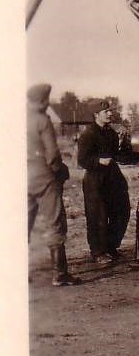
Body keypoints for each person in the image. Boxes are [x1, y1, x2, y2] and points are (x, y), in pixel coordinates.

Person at [27, 83, 80, 286]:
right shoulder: (42, 120)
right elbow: (52, 153)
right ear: (43, 100)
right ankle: (60, 274)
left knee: (24, 222)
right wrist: (59, 171)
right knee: (54, 221)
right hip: (43, 176)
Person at [77, 100, 131, 265]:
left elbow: (118, 156)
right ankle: (98, 252)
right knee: (97, 216)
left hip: (113, 178)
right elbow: (82, 160)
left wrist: (129, 147)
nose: (110, 113)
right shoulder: (88, 134)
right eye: (106, 111)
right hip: (95, 180)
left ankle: (111, 247)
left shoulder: (111, 133)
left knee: (120, 212)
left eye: (110, 111)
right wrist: (99, 161)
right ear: (96, 115)